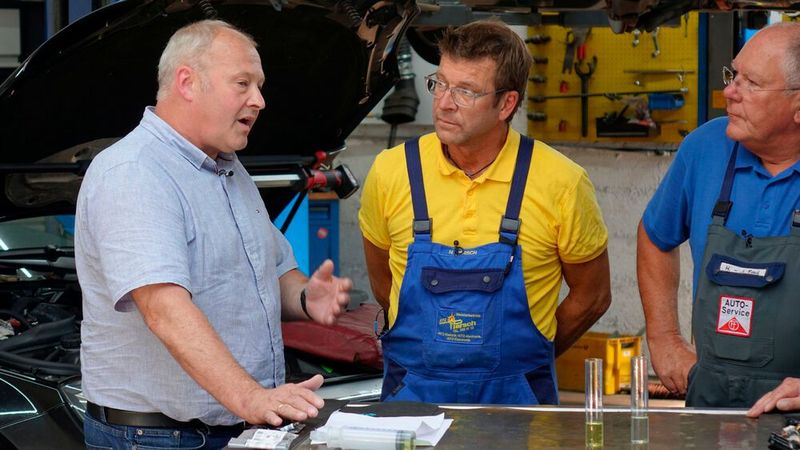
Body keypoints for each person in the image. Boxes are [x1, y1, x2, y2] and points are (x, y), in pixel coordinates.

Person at [75, 20, 352, 449]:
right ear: (187, 82)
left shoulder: (228, 168)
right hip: (157, 438)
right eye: (242, 83)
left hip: (237, 427)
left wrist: (304, 298)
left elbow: (267, 275)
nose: (258, 100)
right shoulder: (134, 172)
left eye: (259, 86)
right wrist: (251, 397)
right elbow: (164, 308)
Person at [358, 19, 611, 405]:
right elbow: (383, 283)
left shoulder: (562, 182)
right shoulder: (391, 172)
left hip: (518, 404)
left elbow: (593, 295)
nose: (444, 102)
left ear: (506, 104)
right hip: (411, 401)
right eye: (440, 83)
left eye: (466, 91)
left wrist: (529, 358)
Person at [637, 22, 800, 412]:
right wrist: (664, 340)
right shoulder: (705, 148)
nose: (729, 92)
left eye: (751, 84)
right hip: (708, 401)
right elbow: (654, 236)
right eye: (733, 75)